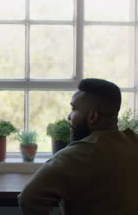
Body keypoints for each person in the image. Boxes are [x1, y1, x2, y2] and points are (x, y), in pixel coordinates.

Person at [18, 78, 138, 215]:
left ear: (93, 117)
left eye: (74, 109)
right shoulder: (134, 143)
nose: (69, 116)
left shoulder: (76, 155)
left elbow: (28, 198)